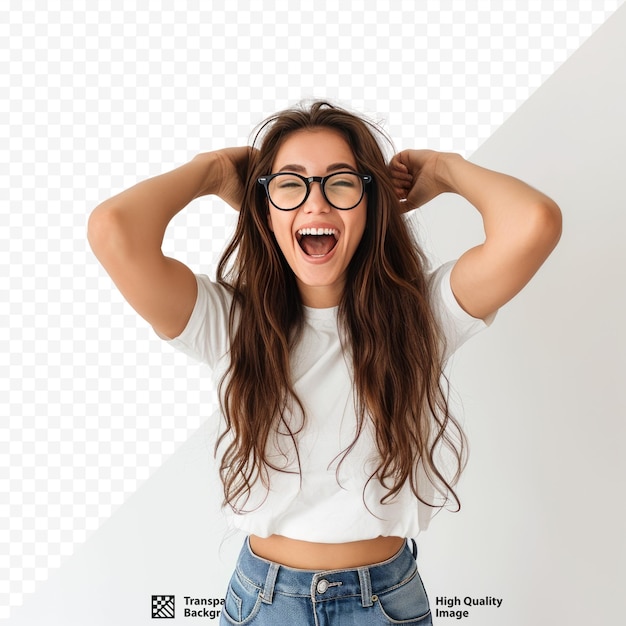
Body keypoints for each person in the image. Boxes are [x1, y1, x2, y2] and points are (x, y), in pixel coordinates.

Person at [88, 101, 561, 625]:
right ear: (265, 208)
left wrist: (444, 169)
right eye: (291, 185)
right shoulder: (229, 322)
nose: (315, 205)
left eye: (340, 183)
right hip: (264, 604)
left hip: (385, 603)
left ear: (372, 204)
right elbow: (113, 230)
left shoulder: (423, 315)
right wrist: (216, 170)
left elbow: (534, 223)